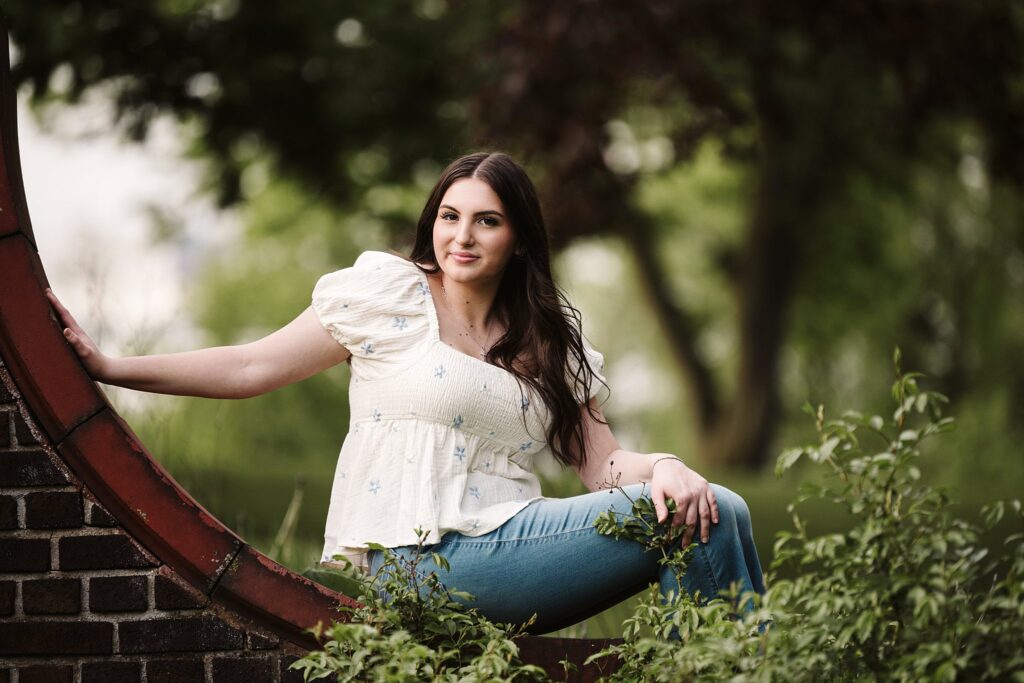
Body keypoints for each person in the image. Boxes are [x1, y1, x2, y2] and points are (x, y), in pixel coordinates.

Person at [47, 151, 764, 633]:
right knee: (692, 516)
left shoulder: (550, 335)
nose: (463, 235)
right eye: (451, 215)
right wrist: (113, 366)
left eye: (488, 219)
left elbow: (603, 465)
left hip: (514, 545)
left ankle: (718, 663)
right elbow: (249, 368)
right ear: (433, 221)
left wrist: (665, 463)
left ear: (517, 237)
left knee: (712, 505)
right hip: (421, 557)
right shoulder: (390, 296)